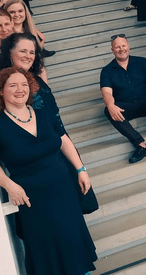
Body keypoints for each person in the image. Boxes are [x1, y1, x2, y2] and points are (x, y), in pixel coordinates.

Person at [0, 67, 98, 274]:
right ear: (1, 90)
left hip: (64, 188)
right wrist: (9, 186)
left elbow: (63, 140)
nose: (20, 89)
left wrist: (81, 169)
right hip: (32, 197)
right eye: (13, 85)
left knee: (72, 238)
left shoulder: (42, 112)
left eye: (24, 84)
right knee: (45, 246)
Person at [100, 34, 146, 164]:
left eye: (123, 46)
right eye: (117, 47)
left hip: (144, 102)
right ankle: (140, 145)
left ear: (128, 47)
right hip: (125, 108)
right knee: (108, 110)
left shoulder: (141, 62)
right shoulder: (107, 70)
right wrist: (110, 105)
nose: (121, 49)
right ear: (112, 50)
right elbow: (107, 93)